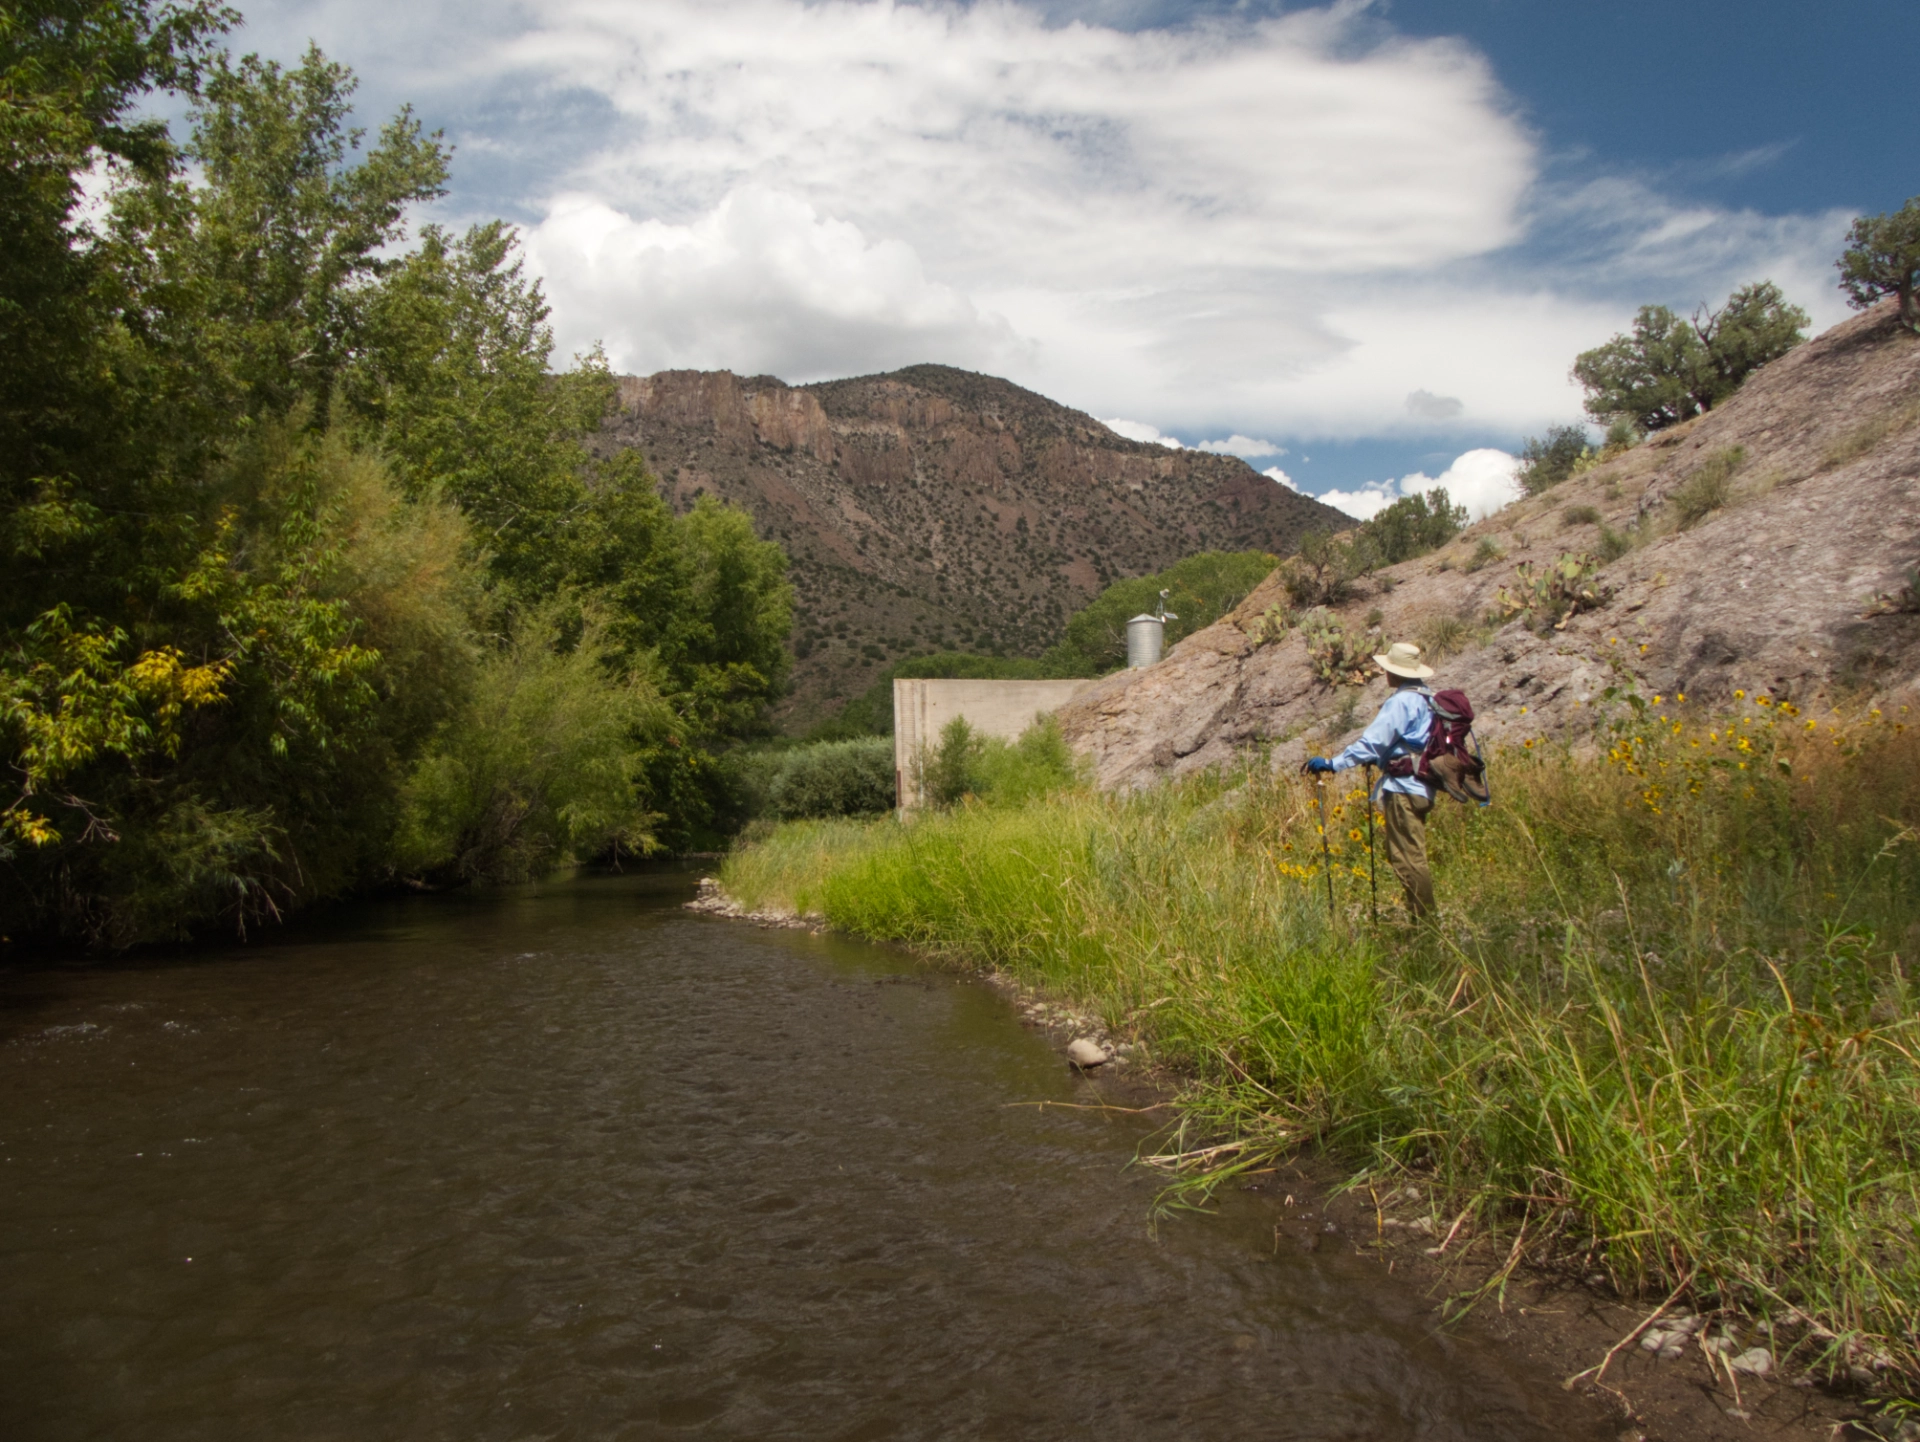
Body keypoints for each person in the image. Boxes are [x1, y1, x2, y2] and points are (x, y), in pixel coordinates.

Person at [1304, 641, 1438, 919]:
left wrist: (1332, 764)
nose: (1384, 673)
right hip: (1422, 784)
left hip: (1403, 788)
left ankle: (1425, 923)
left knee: (1407, 858)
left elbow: (1373, 742)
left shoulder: (1402, 701)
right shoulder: (1427, 697)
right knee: (1409, 854)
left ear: (1397, 672)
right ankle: (1421, 917)